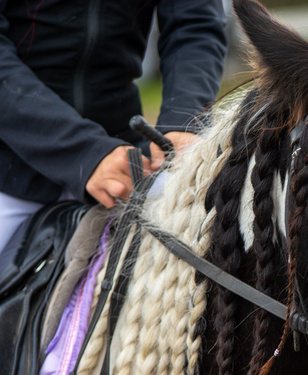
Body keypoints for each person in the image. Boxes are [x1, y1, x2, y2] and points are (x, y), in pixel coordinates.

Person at [0, 0, 228, 254]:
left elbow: (195, 24)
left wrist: (184, 122)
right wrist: (82, 153)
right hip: (10, 169)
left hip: (126, 157)